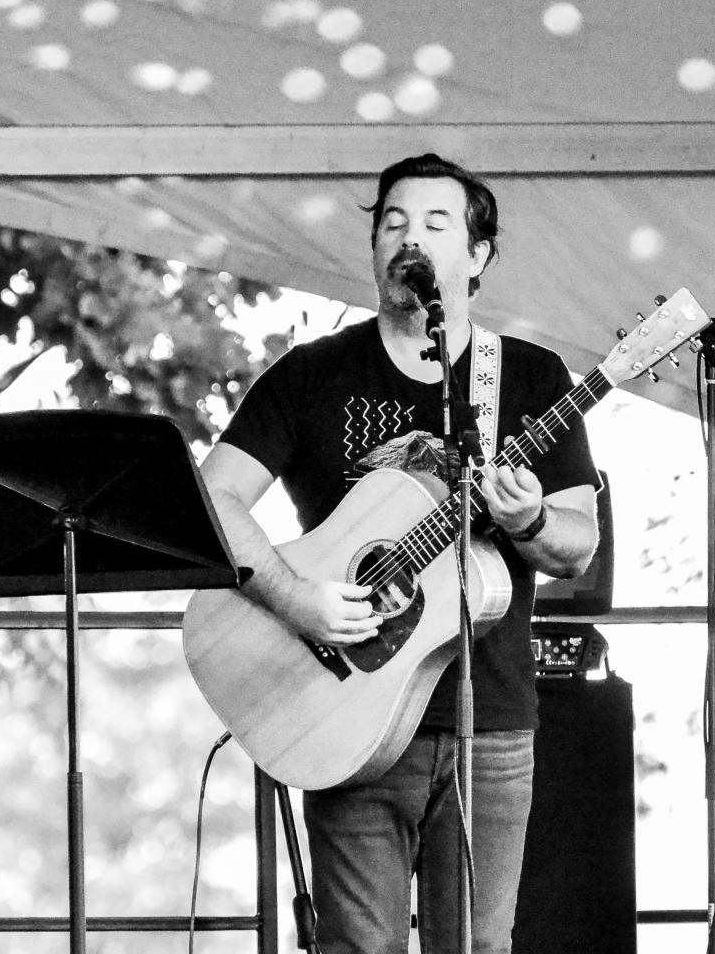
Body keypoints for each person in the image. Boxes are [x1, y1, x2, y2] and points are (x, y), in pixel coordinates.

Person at [200, 153, 600, 954]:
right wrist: (294, 597)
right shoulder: (313, 375)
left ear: (477, 255)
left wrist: (524, 522)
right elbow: (211, 497)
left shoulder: (525, 376)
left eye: (434, 223)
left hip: (490, 724)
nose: (407, 237)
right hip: (341, 708)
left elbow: (577, 545)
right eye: (392, 222)